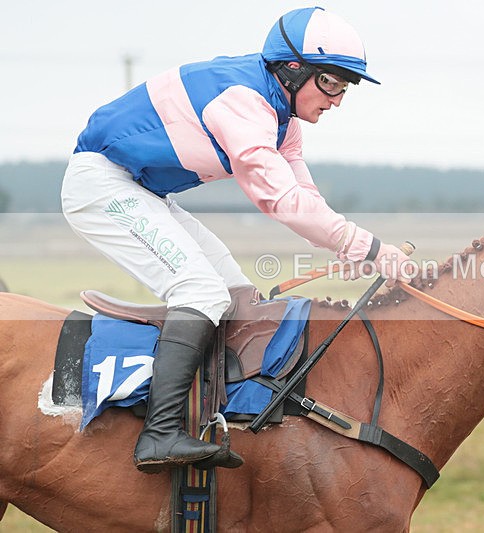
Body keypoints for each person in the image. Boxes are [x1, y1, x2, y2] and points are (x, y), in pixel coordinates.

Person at [61, 6, 413, 473]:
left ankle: (219, 408)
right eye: (330, 82)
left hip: (141, 189)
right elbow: (281, 200)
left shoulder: (281, 115)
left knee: (236, 294)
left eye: (344, 86)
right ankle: (159, 435)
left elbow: (304, 193)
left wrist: (351, 247)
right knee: (201, 292)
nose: (338, 99)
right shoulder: (244, 102)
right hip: (103, 184)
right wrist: (366, 248)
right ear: (293, 69)